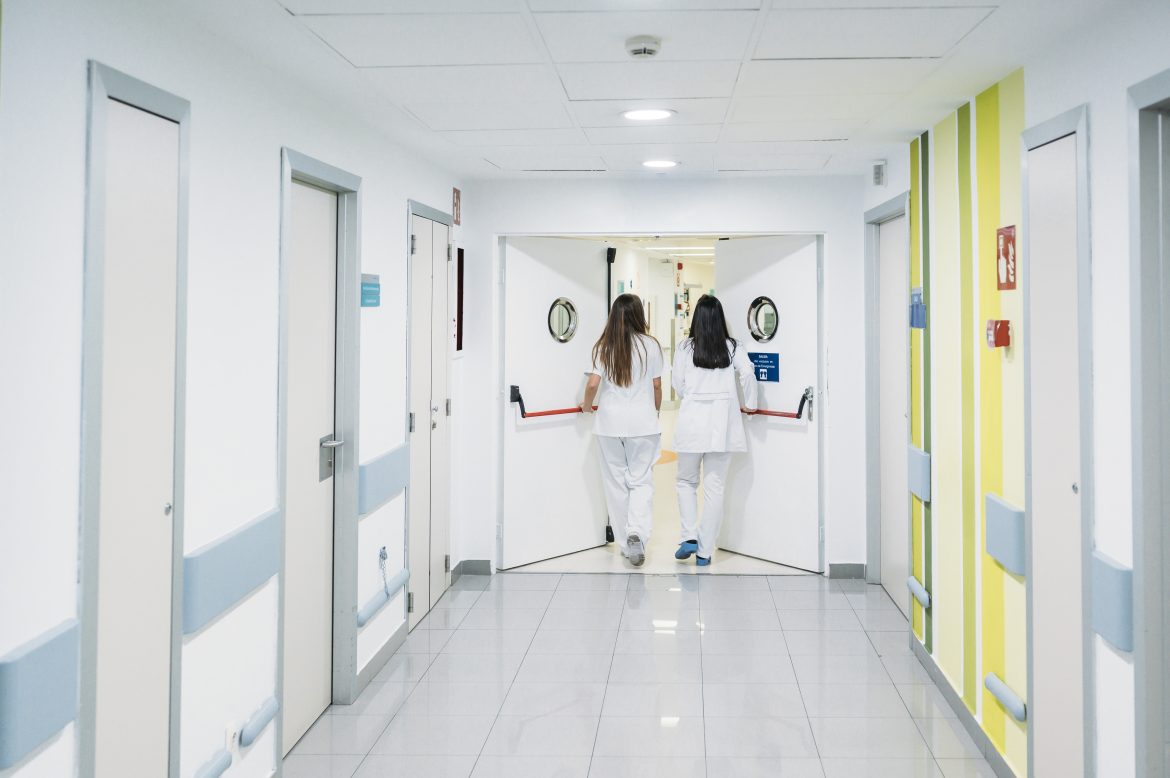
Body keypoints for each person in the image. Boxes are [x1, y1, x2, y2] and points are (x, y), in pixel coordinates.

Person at [671, 295, 758, 566]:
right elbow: (748, 374)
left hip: (692, 422)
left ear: (696, 318)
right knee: (714, 488)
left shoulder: (685, 348)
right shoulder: (733, 347)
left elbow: (678, 384)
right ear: (720, 319)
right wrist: (751, 405)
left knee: (686, 481)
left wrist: (695, 396)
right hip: (722, 424)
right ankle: (705, 551)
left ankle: (688, 535)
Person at [581, 294, 663, 567]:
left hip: (609, 425)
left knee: (615, 483)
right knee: (641, 481)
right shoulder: (651, 345)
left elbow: (593, 384)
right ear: (640, 314)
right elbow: (656, 386)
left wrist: (586, 406)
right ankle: (637, 532)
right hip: (643, 423)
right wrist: (656, 413)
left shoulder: (604, 346)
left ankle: (625, 544)